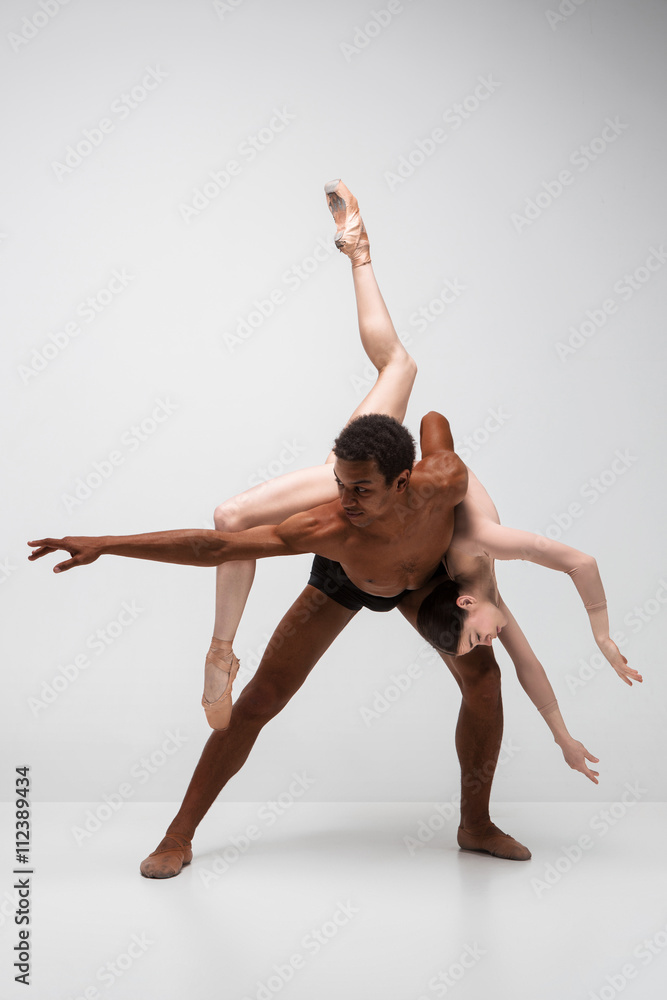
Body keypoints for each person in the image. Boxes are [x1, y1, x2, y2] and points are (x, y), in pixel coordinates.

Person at [28, 180, 620, 879]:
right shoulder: (328, 525)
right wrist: (108, 543)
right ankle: (178, 834)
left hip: (420, 583)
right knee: (257, 704)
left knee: (482, 683)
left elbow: (437, 432)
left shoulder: (441, 483)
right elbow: (214, 544)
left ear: (404, 483)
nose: (346, 500)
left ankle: (475, 822)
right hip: (347, 580)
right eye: (340, 485)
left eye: (360, 489)